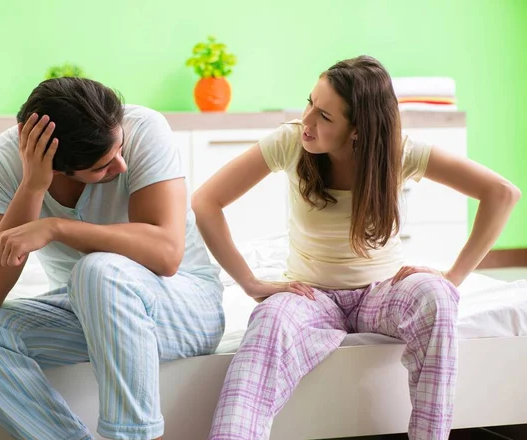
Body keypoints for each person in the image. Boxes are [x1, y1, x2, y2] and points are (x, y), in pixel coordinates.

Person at [192, 55, 521, 440]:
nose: (308, 119)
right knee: (269, 320)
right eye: (310, 101)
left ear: (358, 131)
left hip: (380, 293)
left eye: (325, 116)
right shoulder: (290, 140)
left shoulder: (398, 152)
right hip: (308, 294)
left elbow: (502, 193)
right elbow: (205, 202)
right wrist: (249, 282)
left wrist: (453, 277)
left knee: (439, 296)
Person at [0, 77, 225, 440]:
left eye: (119, 149)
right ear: (57, 167)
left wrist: (57, 228)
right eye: (102, 167)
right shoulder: (0, 161)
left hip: (182, 306)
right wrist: (32, 187)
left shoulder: (146, 129)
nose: (120, 166)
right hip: (87, 310)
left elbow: (166, 254)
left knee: (98, 270)